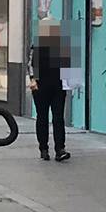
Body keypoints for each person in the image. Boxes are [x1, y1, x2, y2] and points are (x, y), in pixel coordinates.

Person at [31, 20, 73, 162]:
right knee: (42, 117)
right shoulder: (37, 45)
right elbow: (31, 64)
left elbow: (68, 65)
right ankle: (43, 148)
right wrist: (32, 80)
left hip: (58, 87)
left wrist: (70, 82)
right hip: (40, 86)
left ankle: (60, 149)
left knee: (58, 117)